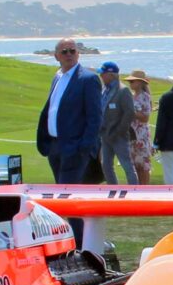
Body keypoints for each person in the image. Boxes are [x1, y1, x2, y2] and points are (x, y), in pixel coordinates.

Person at [34, 38, 102, 183]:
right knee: (59, 189)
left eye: (72, 51)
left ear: (78, 54)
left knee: (68, 192)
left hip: (75, 148)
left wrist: (84, 148)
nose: (69, 54)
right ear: (56, 56)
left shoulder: (88, 79)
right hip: (54, 147)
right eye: (64, 52)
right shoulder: (57, 78)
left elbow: (95, 118)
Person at [95, 61, 136, 184]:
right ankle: (113, 189)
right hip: (105, 134)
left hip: (118, 136)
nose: (101, 76)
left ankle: (134, 191)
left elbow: (129, 113)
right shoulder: (104, 89)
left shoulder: (123, 91)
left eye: (103, 74)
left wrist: (119, 131)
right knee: (106, 165)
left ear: (111, 74)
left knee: (126, 165)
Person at [125, 69, 155, 184]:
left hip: (141, 135)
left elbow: (145, 117)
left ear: (140, 82)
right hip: (131, 134)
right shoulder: (131, 96)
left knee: (143, 165)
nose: (131, 84)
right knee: (134, 165)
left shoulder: (145, 97)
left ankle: (145, 189)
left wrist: (131, 112)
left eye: (133, 81)